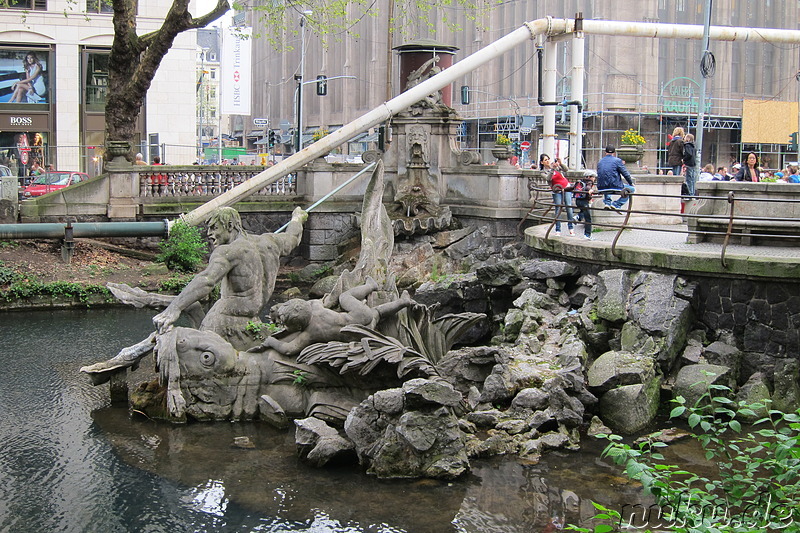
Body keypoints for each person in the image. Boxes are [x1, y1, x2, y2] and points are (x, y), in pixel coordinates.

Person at [152, 206, 308, 350]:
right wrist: (297, 218)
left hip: (223, 321)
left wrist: (174, 309)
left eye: (214, 228)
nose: (208, 233)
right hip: (252, 320)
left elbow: (207, 280)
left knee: (187, 353)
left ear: (230, 225)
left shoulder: (228, 251)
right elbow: (292, 237)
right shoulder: (270, 242)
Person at [250, 277, 416, 357]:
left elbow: (288, 349)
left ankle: (381, 291)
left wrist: (271, 341)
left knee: (376, 313)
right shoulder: (314, 306)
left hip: (360, 334)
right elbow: (318, 302)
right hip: (360, 318)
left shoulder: (309, 333)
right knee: (346, 298)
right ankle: (395, 298)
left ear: (298, 327)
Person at [541, 154, 575, 236]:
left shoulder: (556, 167)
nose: (548, 161)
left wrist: (560, 163)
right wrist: (552, 169)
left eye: (548, 159)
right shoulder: (543, 172)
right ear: (542, 162)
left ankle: (571, 227)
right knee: (558, 208)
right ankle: (558, 229)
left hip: (566, 187)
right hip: (556, 190)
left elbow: (566, 170)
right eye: (545, 160)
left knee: (569, 206)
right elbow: (548, 178)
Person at [596, 145, 635, 213]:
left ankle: (607, 203)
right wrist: (631, 183)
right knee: (631, 189)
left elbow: (602, 175)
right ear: (614, 153)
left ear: (605, 152)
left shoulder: (600, 161)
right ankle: (617, 204)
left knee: (607, 184)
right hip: (614, 186)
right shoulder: (617, 161)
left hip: (601, 187)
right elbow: (625, 173)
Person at [572, 171, 596, 240]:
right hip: (584, 201)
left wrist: (564, 189)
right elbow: (588, 187)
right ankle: (587, 235)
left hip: (578, 200)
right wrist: (590, 190)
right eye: (593, 177)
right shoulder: (589, 182)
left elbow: (573, 188)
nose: (594, 178)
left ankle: (578, 217)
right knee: (588, 218)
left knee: (583, 211)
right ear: (589, 177)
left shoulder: (580, 181)